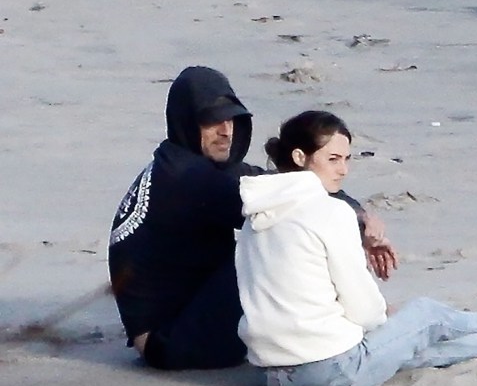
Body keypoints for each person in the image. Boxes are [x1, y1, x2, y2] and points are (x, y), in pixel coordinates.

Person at [235, 110, 477, 386]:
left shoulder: (255, 217)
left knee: (410, 345)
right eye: (333, 159)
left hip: (270, 375)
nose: (343, 170)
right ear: (300, 157)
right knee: (424, 314)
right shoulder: (330, 211)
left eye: (347, 159)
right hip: (329, 372)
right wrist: (386, 315)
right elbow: (366, 312)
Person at [108, 66, 394, 370]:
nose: (226, 130)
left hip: (178, 317)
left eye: (230, 119)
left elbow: (279, 184)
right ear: (186, 121)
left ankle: (333, 321)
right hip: (167, 342)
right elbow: (295, 202)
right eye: (212, 120)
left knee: (278, 230)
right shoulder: (187, 178)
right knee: (279, 236)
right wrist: (355, 223)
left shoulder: (183, 160)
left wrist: (360, 217)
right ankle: (336, 329)